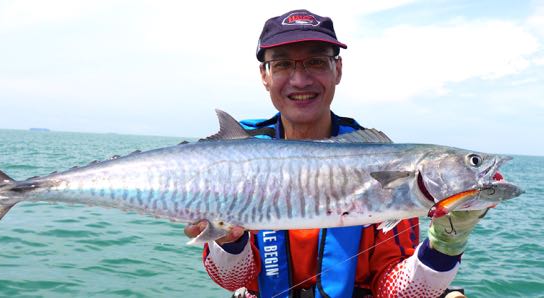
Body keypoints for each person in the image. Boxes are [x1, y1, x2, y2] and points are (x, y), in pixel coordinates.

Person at [185, 9, 485, 298]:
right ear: (264, 75)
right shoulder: (231, 160)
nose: (300, 80)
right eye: (283, 64)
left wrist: (445, 246)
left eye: (316, 62)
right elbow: (232, 280)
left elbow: (396, 292)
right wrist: (229, 242)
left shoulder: (383, 161)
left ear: (337, 69)